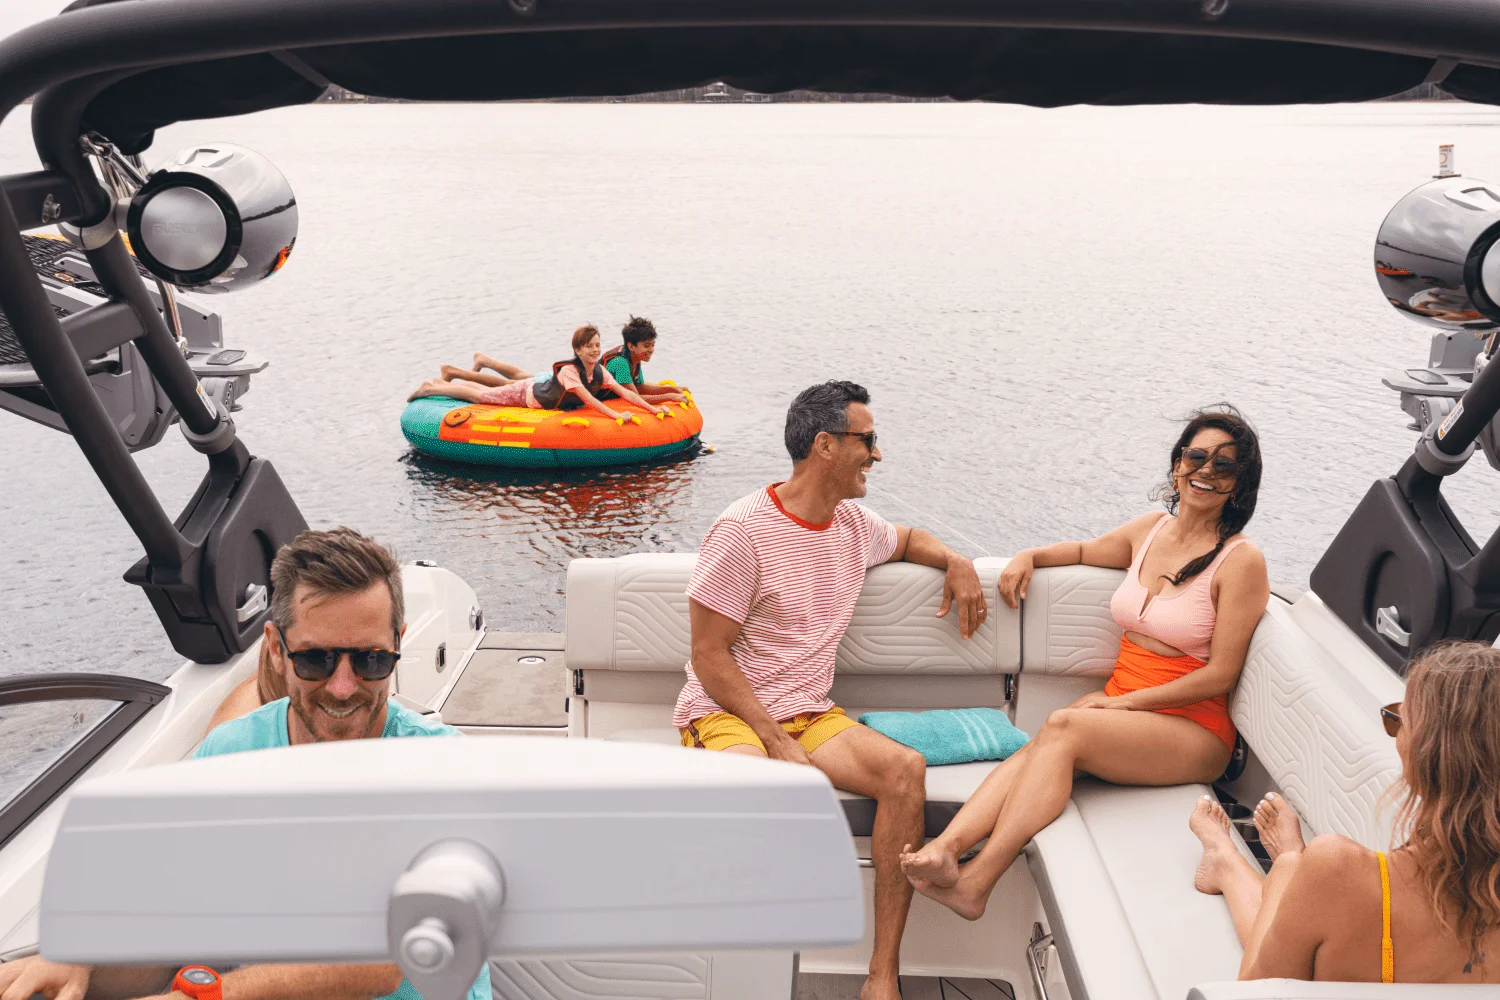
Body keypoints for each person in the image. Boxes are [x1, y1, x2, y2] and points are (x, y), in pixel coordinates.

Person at [0, 528, 491, 1000]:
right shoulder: (231, 754)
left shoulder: (440, 768)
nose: (343, 688)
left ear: (398, 643)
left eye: (370, 660)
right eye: (316, 660)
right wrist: (76, 960)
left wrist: (205, 996)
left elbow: (379, 967)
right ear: (276, 649)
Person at [677, 380, 987, 1000]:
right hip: (728, 713)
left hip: (810, 713)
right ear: (826, 445)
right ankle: (744, 980)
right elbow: (709, 657)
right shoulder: (742, 531)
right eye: (867, 440)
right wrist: (773, 741)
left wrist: (956, 561)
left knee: (905, 771)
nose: (877, 453)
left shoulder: (852, 524)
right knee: (764, 789)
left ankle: (881, 977)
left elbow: (908, 538)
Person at [899, 406, 1270, 920]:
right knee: (1048, 739)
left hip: (1195, 730)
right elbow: (1081, 550)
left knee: (1064, 726)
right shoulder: (1150, 530)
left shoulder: (1241, 560)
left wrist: (1126, 705)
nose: (1205, 471)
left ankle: (978, 881)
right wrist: (1029, 556)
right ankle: (946, 848)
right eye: (1196, 457)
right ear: (1177, 465)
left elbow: (1220, 674)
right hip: (1125, 707)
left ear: (1239, 484)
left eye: (1223, 465)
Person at [1190, 640, 1500, 983]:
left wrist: (1291, 864)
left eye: (1398, 721)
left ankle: (1230, 862)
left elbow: (1259, 990)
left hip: (1321, 908)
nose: (1395, 730)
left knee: (1295, 871)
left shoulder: (1338, 867)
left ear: (1425, 757)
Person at [407, 324, 668, 423]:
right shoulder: (570, 372)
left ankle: (444, 380)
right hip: (527, 396)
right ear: (578, 350)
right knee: (481, 397)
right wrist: (616, 415)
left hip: (539, 391)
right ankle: (431, 388)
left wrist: (653, 409)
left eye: (597, 346)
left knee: (491, 388)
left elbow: (626, 393)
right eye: (589, 346)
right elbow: (590, 400)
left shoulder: (599, 370)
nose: (595, 351)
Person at [599, 316, 689, 402]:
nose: (651, 350)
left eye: (653, 345)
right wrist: (670, 397)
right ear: (631, 346)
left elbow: (640, 387)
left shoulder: (634, 356)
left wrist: (672, 389)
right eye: (646, 346)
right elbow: (635, 398)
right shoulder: (620, 363)